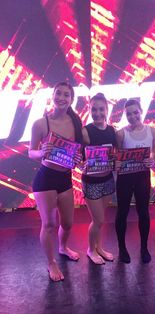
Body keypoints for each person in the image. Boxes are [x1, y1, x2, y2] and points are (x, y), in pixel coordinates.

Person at [28, 82, 83, 281]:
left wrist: (78, 159)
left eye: (66, 95)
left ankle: (63, 247)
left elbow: (78, 152)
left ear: (71, 99)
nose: (61, 97)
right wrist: (41, 152)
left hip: (65, 178)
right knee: (49, 224)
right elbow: (30, 151)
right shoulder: (41, 123)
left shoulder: (76, 123)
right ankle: (51, 262)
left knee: (67, 224)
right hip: (46, 180)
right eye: (58, 93)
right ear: (52, 96)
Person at [115, 99, 155, 263]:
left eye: (135, 112)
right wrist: (116, 163)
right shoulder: (120, 134)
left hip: (142, 176)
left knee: (144, 212)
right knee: (122, 213)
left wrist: (151, 159)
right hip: (125, 178)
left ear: (141, 111)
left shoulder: (152, 131)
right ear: (125, 115)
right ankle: (122, 248)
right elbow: (116, 155)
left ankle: (144, 247)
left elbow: (154, 152)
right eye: (128, 114)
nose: (132, 116)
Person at [81, 93, 117, 265]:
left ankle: (99, 247)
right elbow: (79, 159)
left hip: (108, 181)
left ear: (106, 110)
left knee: (101, 218)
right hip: (92, 182)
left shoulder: (112, 130)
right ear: (89, 109)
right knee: (98, 220)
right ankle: (90, 250)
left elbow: (116, 155)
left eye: (101, 109)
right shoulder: (85, 131)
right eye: (94, 109)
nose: (97, 113)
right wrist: (84, 164)